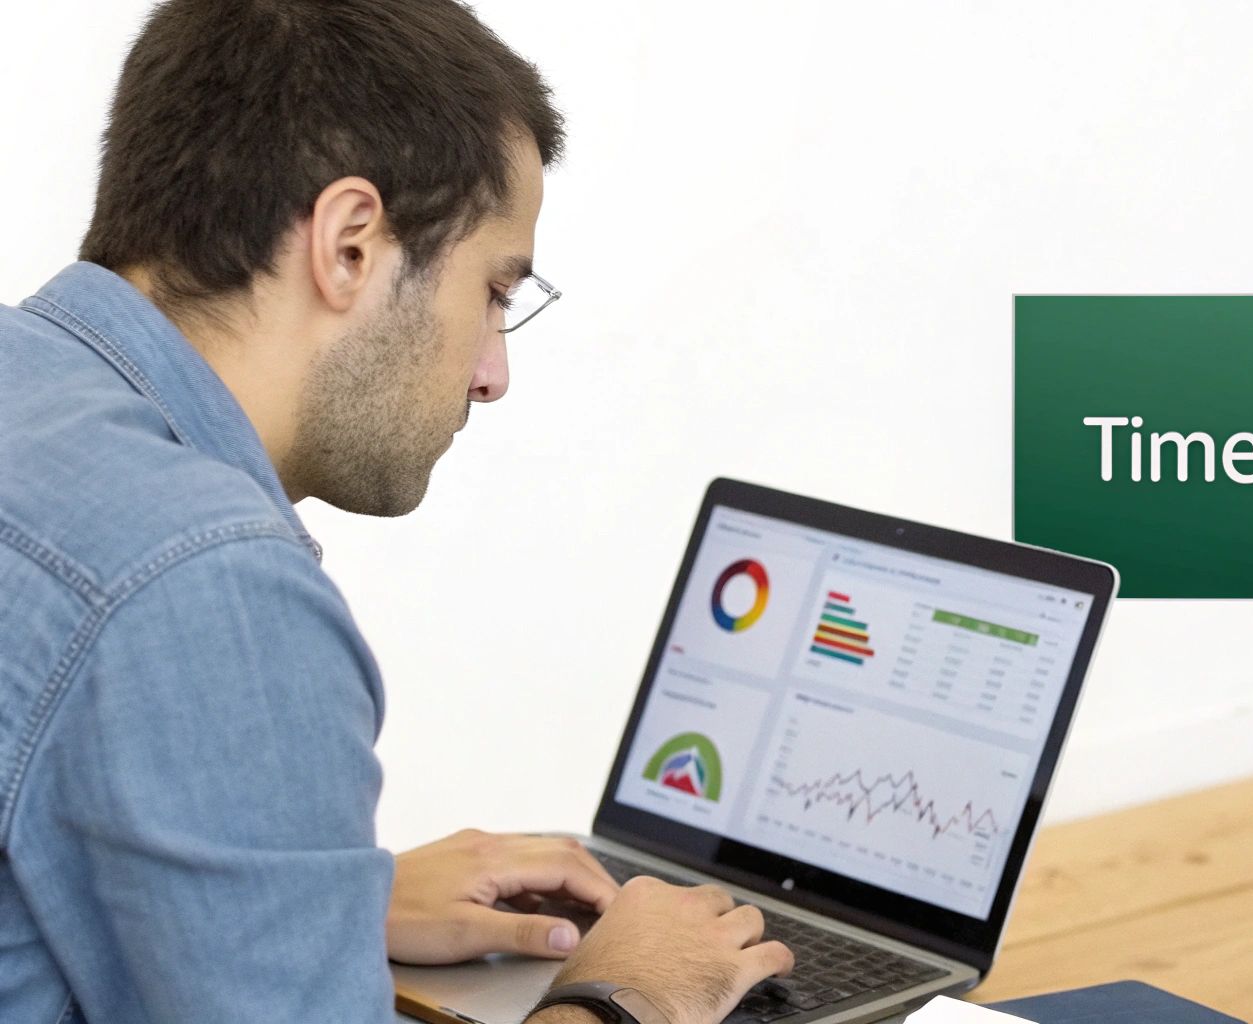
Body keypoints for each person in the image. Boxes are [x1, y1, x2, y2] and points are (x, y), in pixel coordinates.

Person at [0, 1, 793, 1021]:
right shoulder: (204, 582)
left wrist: (316, 902)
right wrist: (634, 992)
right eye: (495, 290)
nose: (492, 372)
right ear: (349, 246)